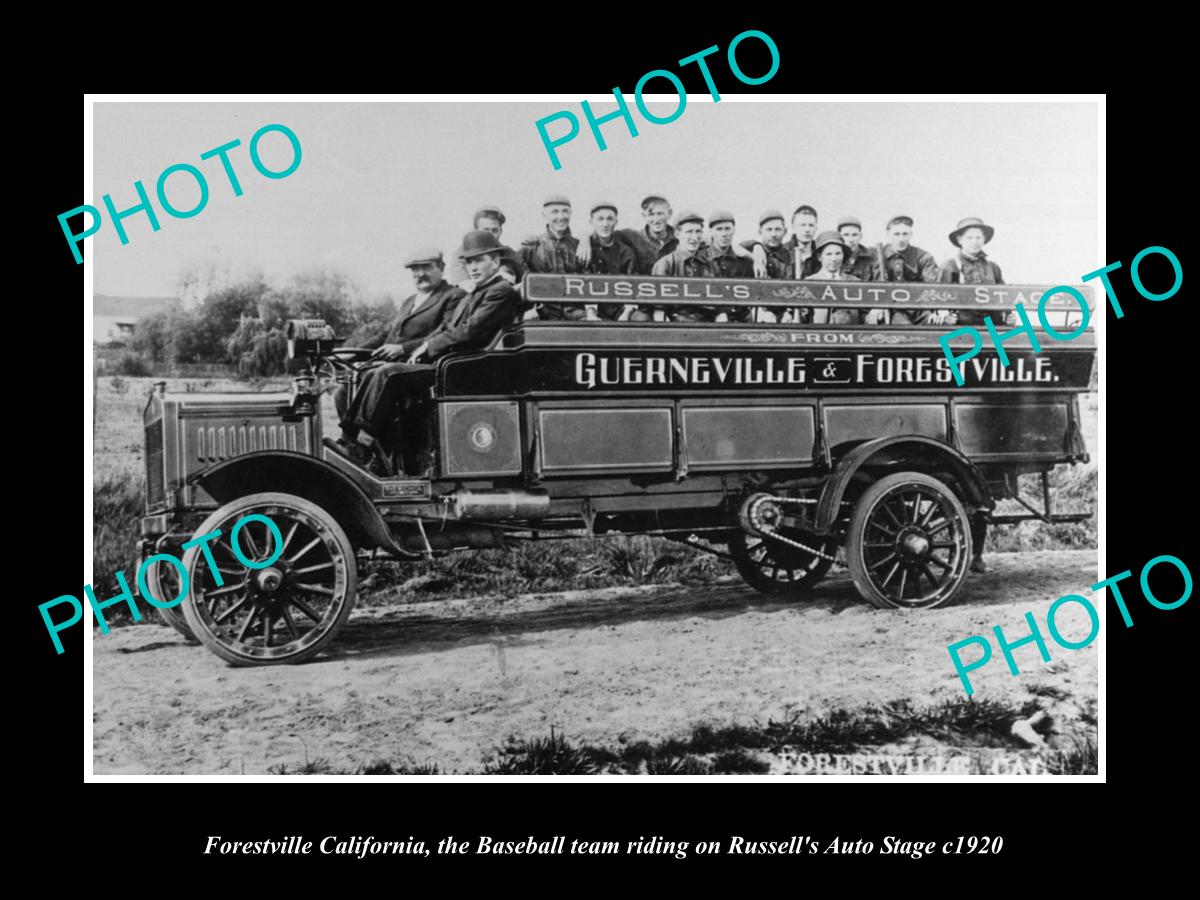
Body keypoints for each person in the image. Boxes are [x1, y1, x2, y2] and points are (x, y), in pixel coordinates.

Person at [332, 231, 522, 475]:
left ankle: (361, 448)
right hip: (450, 363)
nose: (473, 267)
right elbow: (447, 328)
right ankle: (351, 440)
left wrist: (427, 347)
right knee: (372, 374)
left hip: (464, 368)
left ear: (495, 262)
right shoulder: (475, 293)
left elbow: (468, 332)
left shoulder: (500, 291)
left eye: (479, 260)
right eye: (469, 262)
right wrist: (426, 346)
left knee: (387, 374)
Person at [334, 248, 465, 419]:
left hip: (423, 366)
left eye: (427, 267)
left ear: (441, 267)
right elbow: (386, 335)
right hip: (393, 366)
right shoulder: (409, 301)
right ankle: (355, 440)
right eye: (415, 270)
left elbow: (445, 334)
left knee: (379, 375)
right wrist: (352, 354)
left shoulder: (454, 296)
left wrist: (403, 348)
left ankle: (361, 441)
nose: (420, 274)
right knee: (343, 391)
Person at [520, 194, 584, 320]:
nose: (560, 217)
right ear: (544, 215)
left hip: (575, 313)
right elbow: (521, 280)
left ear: (570, 214)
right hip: (542, 313)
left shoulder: (580, 247)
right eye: (554, 212)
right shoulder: (532, 246)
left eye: (565, 211)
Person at [875, 215, 943, 325]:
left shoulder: (923, 257)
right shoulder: (877, 255)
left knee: (939, 323)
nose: (901, 239)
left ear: (911, 234)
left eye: (905, 234)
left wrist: (938, 310)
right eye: (896, 234)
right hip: (888, 308)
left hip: (917, 307)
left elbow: (933, 286)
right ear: (888, 234)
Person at [650, 211, 716, 322]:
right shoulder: (665, 264)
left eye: (698, 231)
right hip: (677, 325)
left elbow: (719, 307)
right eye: (689, 232)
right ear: (677, 234)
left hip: (706, 324)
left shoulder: (709, 265)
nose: (694, 237)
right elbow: (659, 310)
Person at [938, 217, 1004, 326]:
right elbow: (939, 298)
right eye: (969, 238)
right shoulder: (950, 265)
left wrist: (1007, 315)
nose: (974, 242)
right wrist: (946, 316)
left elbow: (1003, 297)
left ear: (984, 239)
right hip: (963, 324)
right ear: (960, 240)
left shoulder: (992, 267)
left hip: (992, 324)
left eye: (978, 237)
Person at [581, 201, 637, 320]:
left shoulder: (625, 252)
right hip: (589, 308)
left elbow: (634, 284)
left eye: (610, 219)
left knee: (641, 319)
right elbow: (583, 283)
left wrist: (626, 313)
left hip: (619, 307)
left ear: (616, 222)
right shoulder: (584, 249)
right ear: (591, 222)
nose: (605, 224)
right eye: (600, 219)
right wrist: (591, 313)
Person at [448, 205, 521, 287]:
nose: (490, 235)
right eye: (485, 230)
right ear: (475, 231)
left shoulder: (508, 253)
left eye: (494, 230)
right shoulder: (462, 254)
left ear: (500, 231)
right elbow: (464, 284)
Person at [704, 210, 753, 323]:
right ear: (711, 231)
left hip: (740, 317)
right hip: (710, 317)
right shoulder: (702, 259)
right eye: (719, 229)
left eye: (727, 229)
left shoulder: (744, 261)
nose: (724, 234)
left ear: (734, 230)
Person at [804, 231, 861, 324]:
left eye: (838, 253)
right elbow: (802, 315)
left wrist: (874, 313)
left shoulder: (854, 282)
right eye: (828, 254)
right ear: (819, 257)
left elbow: (864, 314)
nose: (834, 259)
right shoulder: (809, 282)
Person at [837, 216, 882, 282]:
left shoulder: (871, 259)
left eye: (854, 235)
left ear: (860, 236)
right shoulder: (834, 258)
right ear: (839, 236)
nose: (851, 240)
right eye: (846, 235)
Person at [783, 204, 821, 279]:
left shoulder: (820, 254)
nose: (807, 230)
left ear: (816, 228)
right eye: (802, 225)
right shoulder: (782, 252)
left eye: (811, 225)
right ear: (794, 227)